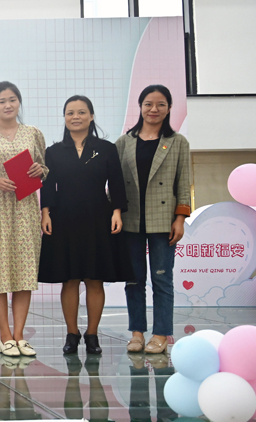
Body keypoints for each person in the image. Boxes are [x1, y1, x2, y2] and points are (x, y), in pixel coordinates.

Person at [38, 95, 132, 355]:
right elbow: (48, 185)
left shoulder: (106, 148)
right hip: (63, 218)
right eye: (70, 113)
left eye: (81, 112)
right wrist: (45, 213)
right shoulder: (54, 151)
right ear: (64, 118)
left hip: (98, 218)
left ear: (91, 116)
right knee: (69, 279)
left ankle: (92, 334)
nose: (75, 117)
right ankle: (72, 333)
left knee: (94, 279)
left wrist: (117, 211)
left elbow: (116, 182)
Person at [0, 81, 47, 357]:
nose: (8, 105)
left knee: (24, 272)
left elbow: (44, 168)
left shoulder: (33, 133)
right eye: (2, 101)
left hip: (26, 209)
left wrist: (40, 170)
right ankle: (4, 336)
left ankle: (19, 335)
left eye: (12, 99)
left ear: (19, 102)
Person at [116, 85, 191, 355]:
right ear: (140, 107)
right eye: (148, 104)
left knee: (162, 280)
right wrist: (113, 211)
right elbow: (115, 183)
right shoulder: (124, 142)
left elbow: (183, 182)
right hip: (131, 220)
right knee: (133, 280)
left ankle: (160, 334)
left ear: (169, 108)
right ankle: (137, 333)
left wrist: (180, 218)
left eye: (160, 104)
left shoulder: (178, 142)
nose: (154, 109)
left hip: (163, 220)